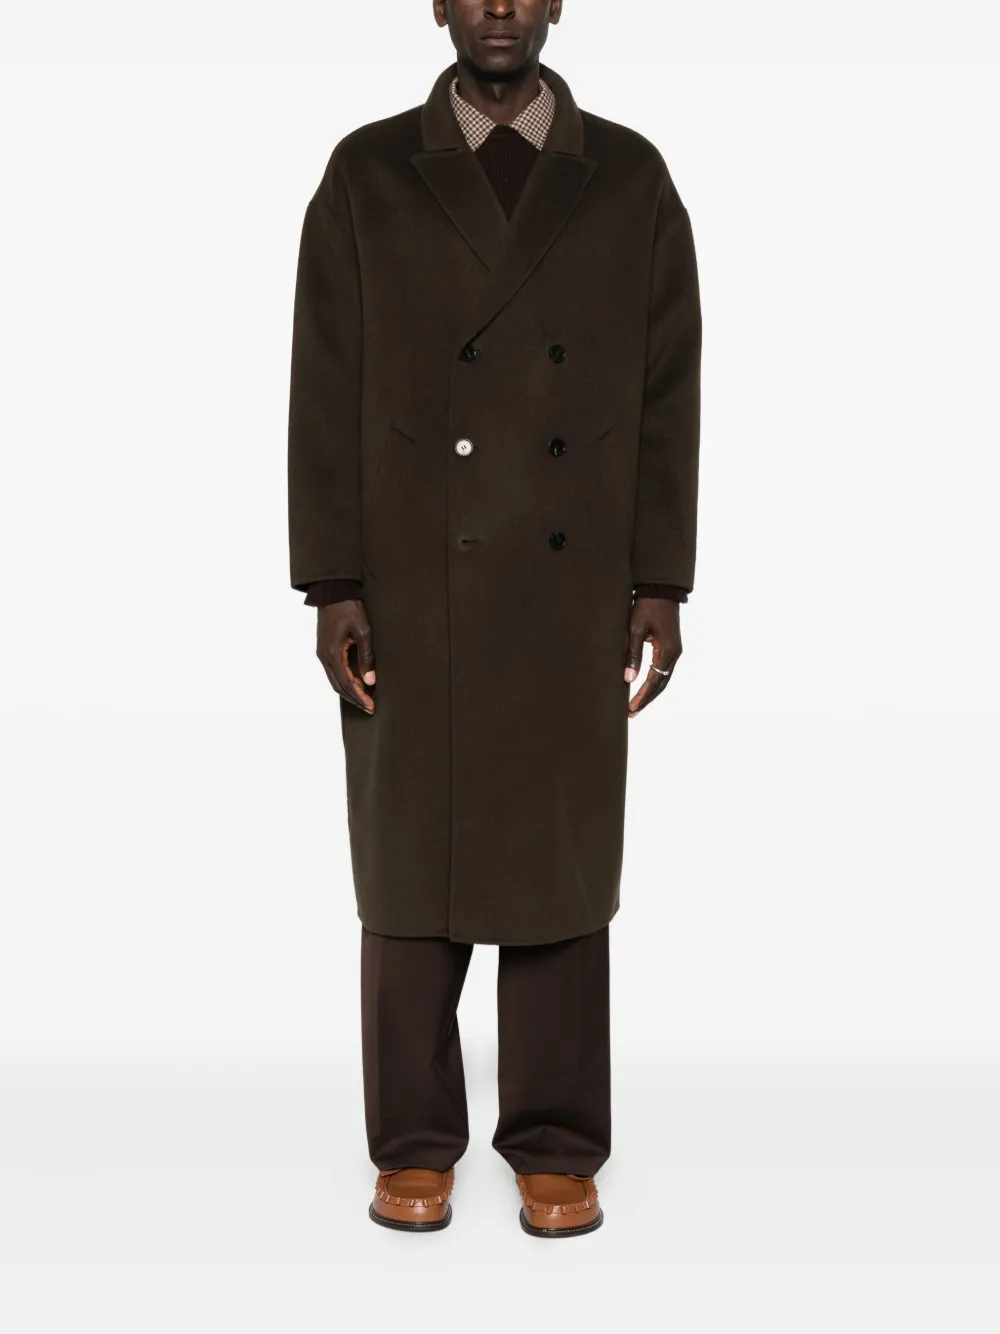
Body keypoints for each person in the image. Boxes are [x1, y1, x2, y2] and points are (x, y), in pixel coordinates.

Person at [286, 0, 701, 1238]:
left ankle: (557, 1140)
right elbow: (322, 384)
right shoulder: (367, 172)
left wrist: (660, 578)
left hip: (572, 586)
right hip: (412, 578)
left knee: (560, 861)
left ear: (558, 0)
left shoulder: (628, 176)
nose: (501, 6)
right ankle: (414, 1141)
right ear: (439, 3)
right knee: (407, 862)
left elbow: (669, 387)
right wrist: (333, 580)